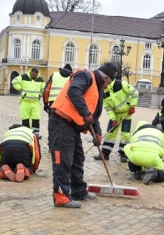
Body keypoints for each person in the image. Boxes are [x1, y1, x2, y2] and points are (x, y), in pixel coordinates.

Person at [48, 62, 117, 208]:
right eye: (108, 83)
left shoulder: (98, 90)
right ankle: (61, 196)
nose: (107, 86)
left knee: (78, 159)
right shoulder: (86, 76)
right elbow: (73, 91)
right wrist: (85, 113)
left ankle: (79, 191)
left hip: (72, 127)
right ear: (105, 77)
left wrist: (97, 134)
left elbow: (94, 116)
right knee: (64, 161)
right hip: (61, 122)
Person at [94, 75, 139, 162]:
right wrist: (113, 118)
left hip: (127, 113)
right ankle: (105, 153)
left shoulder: (120, 84)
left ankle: (123, 154)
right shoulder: (103, 93)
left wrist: (132, 106)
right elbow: (108, 108)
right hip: (115, 115)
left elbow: (135, 93)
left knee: (125, 134)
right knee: (110, 133)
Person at [12, 67, 45, 138]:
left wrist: (43, 92)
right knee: (25, 118)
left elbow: (43, 88)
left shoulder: (40, 80)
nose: (34, 77)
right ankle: (26, 133)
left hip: (35, 102)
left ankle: (35, 134)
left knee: (36, 118)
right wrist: (19, 89)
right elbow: (14, 81)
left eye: (36, 75)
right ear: (30, 73)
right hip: (25, 102)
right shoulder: (23, 77)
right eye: (33, 75)